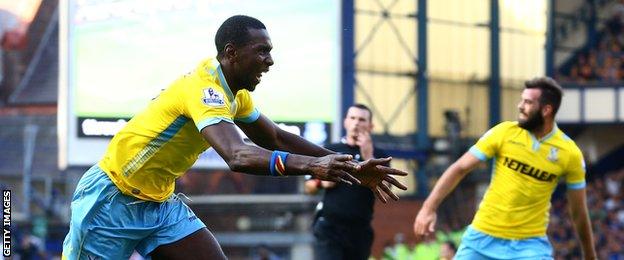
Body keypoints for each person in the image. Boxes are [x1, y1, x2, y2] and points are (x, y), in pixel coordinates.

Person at [62, 15, 408, 260]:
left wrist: (352, 166)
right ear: (231, 52)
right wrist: (314, 166)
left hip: (159, 205)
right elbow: (237, 155)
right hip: (112, 200)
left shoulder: (236, 95)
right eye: (261, 51)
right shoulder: (203, 88)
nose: (269, 60)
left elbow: (275, 137)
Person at [413, 77, 597, 259]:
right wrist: (428, 208)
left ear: (546, 110)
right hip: (482, 238)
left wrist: (589, 255)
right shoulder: (504, 133)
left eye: (528, 102)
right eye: (521, 100)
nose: (520, 106)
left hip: (529, 247)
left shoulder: (569, 153)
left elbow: (578, 211)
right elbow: (460, 168)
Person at [304, 104, 388, 260]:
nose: (356, 123)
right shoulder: (330, 150)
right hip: (330, 228)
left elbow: (385, 193)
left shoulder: (380, 156)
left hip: (360, 231)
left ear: (371, 126)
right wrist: (322, 183)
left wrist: (369, 156)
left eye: (362, 119)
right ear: (345, 122)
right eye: (353, 118)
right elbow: (308, 187)